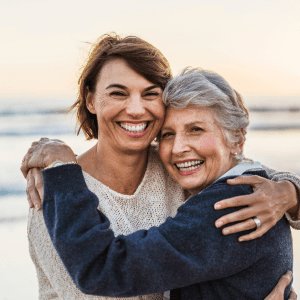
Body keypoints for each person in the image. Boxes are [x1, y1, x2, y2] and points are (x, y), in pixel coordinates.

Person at [21, 34, 300, 299]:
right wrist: (61, 166)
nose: (136, 109)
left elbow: (103, 268)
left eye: (150, 93)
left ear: (238, 138)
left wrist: (290, 191)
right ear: (91, 99)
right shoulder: (54, 196)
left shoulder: (232, 197)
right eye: (118, 93)